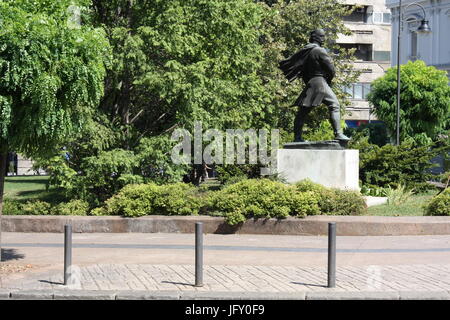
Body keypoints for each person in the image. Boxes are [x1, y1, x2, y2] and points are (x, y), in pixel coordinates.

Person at [279, 29, 350, 142]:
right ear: (317, 38)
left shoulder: (306, 52)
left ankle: (297, 137)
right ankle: (338, 134)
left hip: (311, 83)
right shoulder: (319, 51)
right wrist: (329, 79)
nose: (324, 39)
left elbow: (302, 71)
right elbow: (331, 69)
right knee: (334, 105)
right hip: (320, 82)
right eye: (322, 36)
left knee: (302, 112)